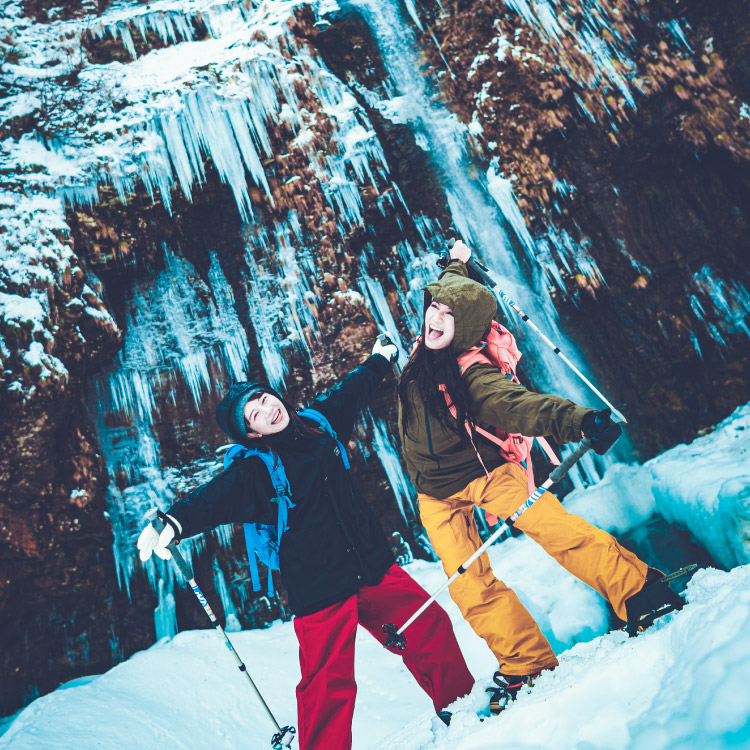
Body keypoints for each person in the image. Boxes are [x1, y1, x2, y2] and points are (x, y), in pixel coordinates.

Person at [136, 339, 474, 750]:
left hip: (370, 565)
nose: (267, 409)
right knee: (328, 683)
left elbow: (352, 390)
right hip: (319, 589)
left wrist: (381, 359)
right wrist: (171, 522)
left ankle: (463, 708)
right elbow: (213, 498)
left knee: (427, 626)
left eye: (263, 398)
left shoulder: (320, 423)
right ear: (251, 433)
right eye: (254, 415)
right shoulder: (254, 472)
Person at [397, 240, 683, 714]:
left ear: (464, 328)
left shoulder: (474, 376)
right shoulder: (429, 337)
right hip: (435, 493)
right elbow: (450, 291)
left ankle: (640, 591)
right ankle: (526, 661)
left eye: (447, 314)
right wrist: (459, 260)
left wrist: (579, 421)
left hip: (488, 472)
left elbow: (520, 406)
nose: (435, 316)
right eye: (435, 307)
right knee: (469, 582)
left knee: (554, 528)